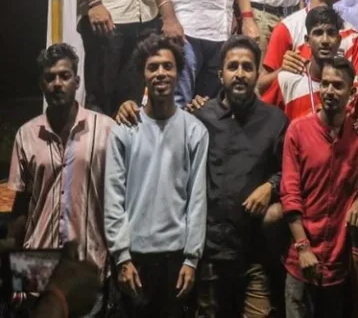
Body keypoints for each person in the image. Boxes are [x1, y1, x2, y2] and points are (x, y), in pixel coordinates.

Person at [104, 33, 209, 317]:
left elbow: (197, 200)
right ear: (143, 74)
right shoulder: (124, 130)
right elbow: (113, 198)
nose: (161, 72)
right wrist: (121, 257)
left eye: (168, 66)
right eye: (153, 67)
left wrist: (191, 259)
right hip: (132, 260)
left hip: (177, 261)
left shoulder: (195, 131)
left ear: (178, 72)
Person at [8, 45, 112, 315]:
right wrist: (16, 276)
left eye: (64, 76)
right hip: (36, 266)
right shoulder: (26, 135)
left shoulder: (106, 130)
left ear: (77, 81)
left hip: (87, 262)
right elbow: (21, 208)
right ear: (41, 84)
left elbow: (118, 201)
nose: (57, 83)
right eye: (50, 77)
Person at [193, 36, 287, 318]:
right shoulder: (201, 118)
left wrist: (270, 186)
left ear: (257, 74)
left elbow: (292, 172)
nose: (240, 73)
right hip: (210, 254)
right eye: (232, 66)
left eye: (247, 67)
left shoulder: (275, 120)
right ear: (220, 74)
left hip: (256, 255)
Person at [280, 56, 358, 318]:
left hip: (337, 265)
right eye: (325, 84)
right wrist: (303, 247)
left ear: (352, 92)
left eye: (338, 85)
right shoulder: (298, 130)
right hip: (300, 261)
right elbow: (290, 193)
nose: (330, 91)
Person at [263, 4, 358, 125]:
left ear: (339, 40)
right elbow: (262, 119)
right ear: (307, 40)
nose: (325, 40)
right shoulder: (287, 80)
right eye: (318, 33)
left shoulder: (354, 87)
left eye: (331, 33)